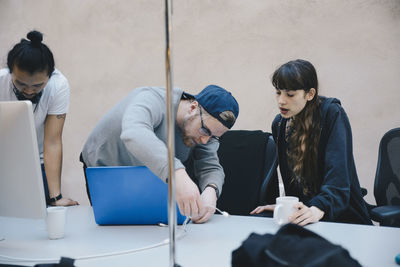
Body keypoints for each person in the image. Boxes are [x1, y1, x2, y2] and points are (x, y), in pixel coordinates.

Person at [81, 85, 239, 223]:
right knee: (112, 232)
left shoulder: (205, 133)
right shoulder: (153, 99)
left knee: (151, 231)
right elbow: (133, 132)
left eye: (213, 136)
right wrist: (177, 173)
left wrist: (211, 189)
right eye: (205, 131)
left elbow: (210, 166)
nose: (205, 141)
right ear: (192, 108)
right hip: (105, 168)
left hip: (150, 175)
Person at [251, 59, 371, 225]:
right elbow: (294, 184)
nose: (281, 101)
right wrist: (287, 207)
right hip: (305, 217)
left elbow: (338, 176)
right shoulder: (280, 124)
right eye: (278, 93)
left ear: (310, 94)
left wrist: (318, 208)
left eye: (290, 94)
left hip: (342, 217)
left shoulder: (332, 114)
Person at [0, 30, 78, 206]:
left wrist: (56, 198)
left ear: (49, 76)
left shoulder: (58, 85)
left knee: (40, 215)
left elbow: (52, 141)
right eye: (20, 83)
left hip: (38, 162)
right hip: (3, 161)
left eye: (37, 85)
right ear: (10, 72)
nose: (28, 91)